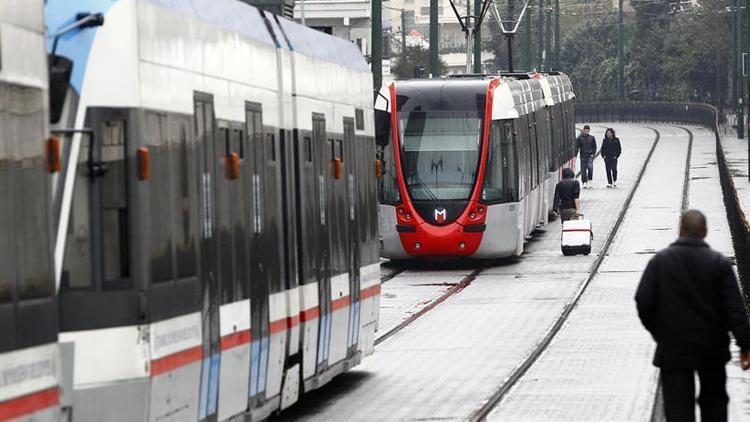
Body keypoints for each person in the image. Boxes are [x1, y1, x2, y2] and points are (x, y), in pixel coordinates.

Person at [635, 210, 750, 422]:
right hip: (712, 350)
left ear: (680, 230)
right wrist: (745, 346)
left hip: (673, 350)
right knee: (714, 405)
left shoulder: (660, 262)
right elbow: (735, 309)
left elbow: (643, 301)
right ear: (705, 232)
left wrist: (659, 332)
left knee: (678, 411)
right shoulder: (720, 264)